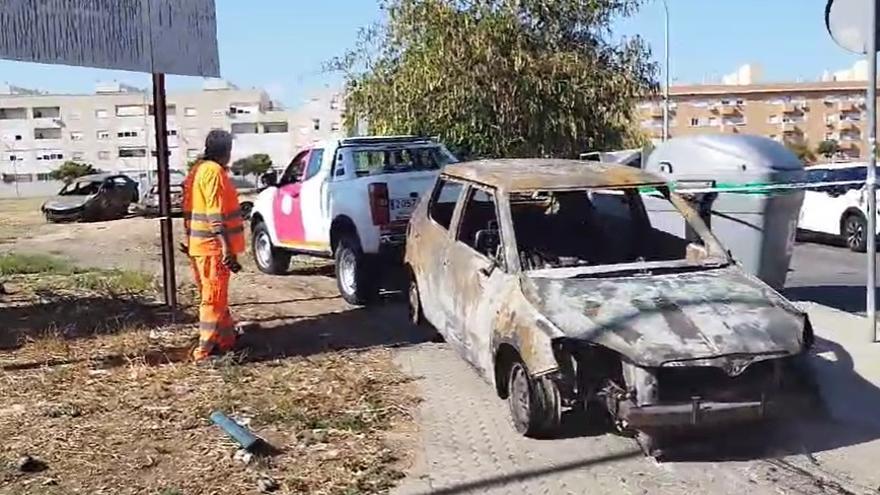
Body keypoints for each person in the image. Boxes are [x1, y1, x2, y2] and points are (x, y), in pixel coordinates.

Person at [183, 130, 245, 361]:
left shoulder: (197, 170)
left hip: (201, 245)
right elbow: (214, 213)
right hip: (213, 247)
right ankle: (204, 351)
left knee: (217, 298)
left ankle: (226, 340)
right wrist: (226, 247)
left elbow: (188, 208)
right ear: (226, 151)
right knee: (213, 300)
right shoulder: (214, 172)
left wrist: (190, 239)